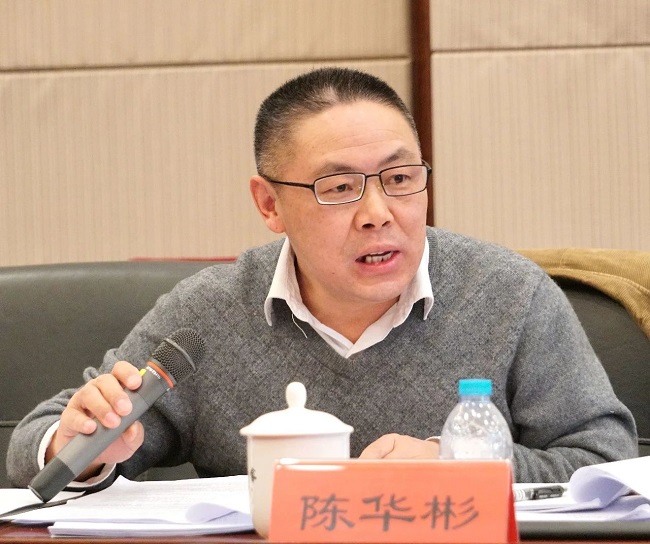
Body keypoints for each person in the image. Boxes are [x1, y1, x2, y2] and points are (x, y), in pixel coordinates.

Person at [7, 67, 637, 489]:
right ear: (269, 204)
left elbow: (606, 460)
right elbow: (34, 451)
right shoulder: (207, 313)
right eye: (338, 188)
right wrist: (76, 448)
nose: (378, 214)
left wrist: (462, 465)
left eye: (400, 179)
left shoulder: (508, 294)